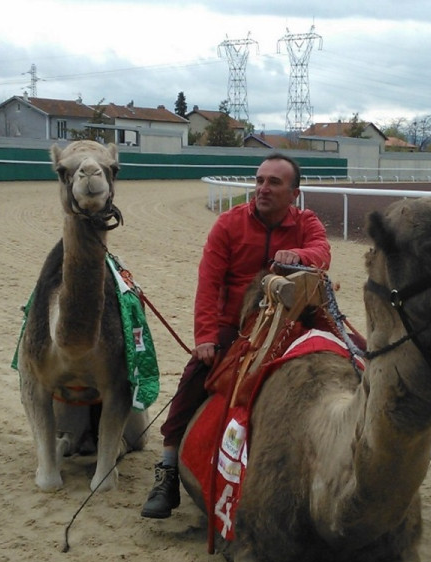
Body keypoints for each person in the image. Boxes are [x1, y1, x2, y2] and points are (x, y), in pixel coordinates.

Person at [141, 153, 331, 518]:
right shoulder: (228, 224)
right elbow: (209, 284)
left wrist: (302, 254)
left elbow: (322, 252)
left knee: (359, 357)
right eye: (259, 180)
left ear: (294, 192)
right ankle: (167, 469)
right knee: (193, 378)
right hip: (237, 327)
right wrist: (206, 337)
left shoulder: (307, 222)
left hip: (296, 321)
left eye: (274, 182)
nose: (263, 188)